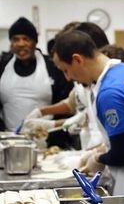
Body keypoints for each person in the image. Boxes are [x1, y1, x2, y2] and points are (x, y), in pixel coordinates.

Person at [51, 30, 124, 194]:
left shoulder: (109, 93)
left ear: (77, 59)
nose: (68, 78)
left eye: (65, 70)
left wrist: (98, 159)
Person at [22, 21, 110, 150]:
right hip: (92, 146)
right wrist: (41, 113)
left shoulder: (108, 81)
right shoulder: (82, 73)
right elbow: (73, 102)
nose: (68, 78)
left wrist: (94, 158)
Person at [0, 17, 72, 133]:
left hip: (47, 137)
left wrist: (53, 129)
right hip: (9, 137)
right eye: (15, 39)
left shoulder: (52, 67)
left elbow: (66, 103)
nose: (21, 44)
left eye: (26, 39)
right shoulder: (2, 66)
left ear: (35, 41)